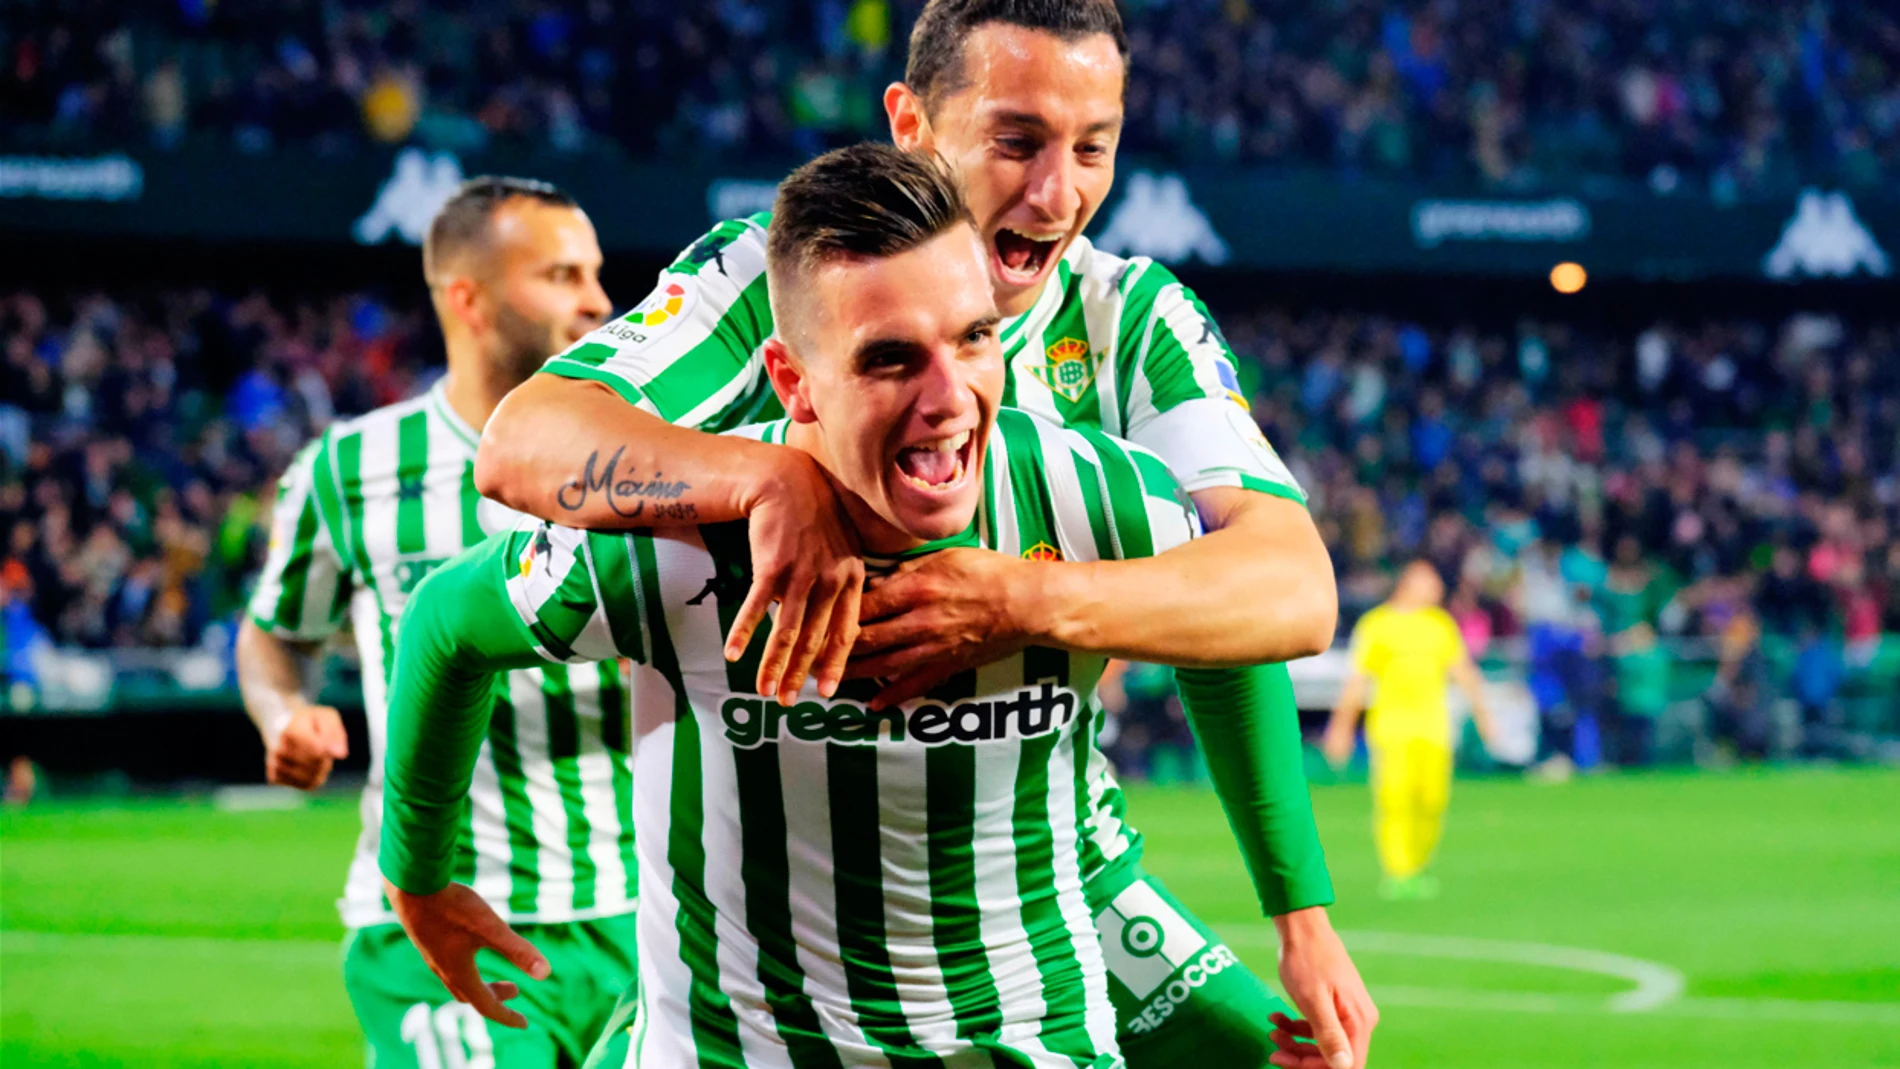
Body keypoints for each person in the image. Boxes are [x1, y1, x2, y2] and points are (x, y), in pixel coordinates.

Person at [473, 3, 1372, 1066]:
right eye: (1016, 141)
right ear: (911, 126)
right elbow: (522, 442)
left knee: (1277, 1060)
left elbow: (1266, 591)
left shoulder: (1129, 319)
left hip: (1045, 861)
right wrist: (766, 479)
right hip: (769, 856)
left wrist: (1298, 910)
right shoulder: (772, 280)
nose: (1057, 192)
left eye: (1094, 147)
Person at [237, 176, 632, 1068]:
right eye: (563, 275)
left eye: (595, 273)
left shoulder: (647, 454)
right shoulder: (353, 468)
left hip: (640, 914)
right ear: (470, 298)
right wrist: (280, 712)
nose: (599, 300)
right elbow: (274, 631)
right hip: (435, 911)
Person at [1322, 561, 1497, 900]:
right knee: (1395, 800)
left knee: (1432, 800)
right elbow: (1357, 681)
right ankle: (1399, 872)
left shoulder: (1440, 625)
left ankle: (1418, 865)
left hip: (1433, 728)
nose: (1437, 590)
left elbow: (1463, 672)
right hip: (1391, 729)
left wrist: (1484, 716)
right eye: (1429, 582)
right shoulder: (1377, 625)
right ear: (1408, 583)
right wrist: (1341, 728)